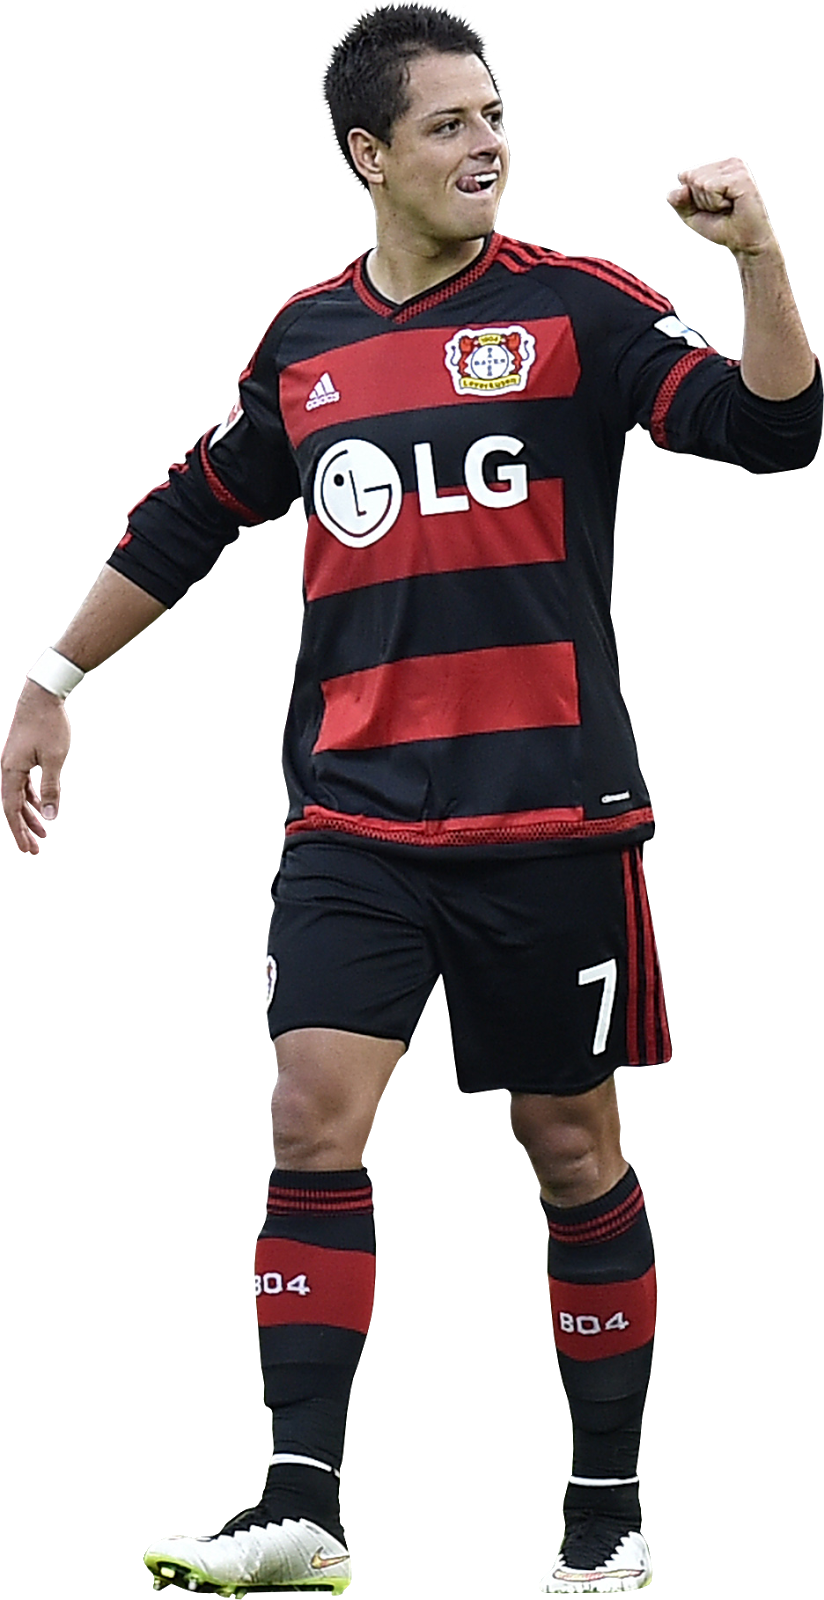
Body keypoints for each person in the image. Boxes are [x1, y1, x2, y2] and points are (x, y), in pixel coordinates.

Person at [2, 3, 821, 1593]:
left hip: (551, 820)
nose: (488, 143)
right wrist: (53, 676)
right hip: (354, 818)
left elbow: (772, 429)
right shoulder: (308, 341)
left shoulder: (578, 307)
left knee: (569, 1147)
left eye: (496, 115)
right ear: (371, 155)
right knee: (307, 1115)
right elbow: (192, 513)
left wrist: (763, 257)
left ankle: (604, 1521)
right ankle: (299, 1505)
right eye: (451, 123)